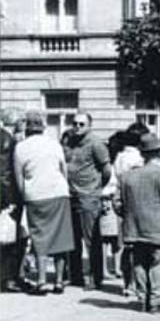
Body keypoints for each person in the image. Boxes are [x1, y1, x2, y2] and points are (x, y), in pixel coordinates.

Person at [13, 111, 74, 295]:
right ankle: (58, 281)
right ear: (43, 127)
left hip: (35, 195)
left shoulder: (21, 148)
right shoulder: (54, 144)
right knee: (60, 236)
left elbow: (19, 177)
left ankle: (40, 281)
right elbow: (64, 170)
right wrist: (64, 188)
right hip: (58, 192)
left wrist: (25, 196)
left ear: (27, 128)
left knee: (39, 237)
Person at [117, 133, 160, 313]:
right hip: (159, 228)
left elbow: (118, 204)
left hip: (135, 229)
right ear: (159, 152)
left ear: (142, 153)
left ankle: (143, 298)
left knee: (140, 263)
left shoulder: (128, 176)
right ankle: (157, 301)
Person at [63, 111, 112, 290]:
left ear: (89, 125)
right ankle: (75, 275)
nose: (77, 127)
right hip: (70, 195)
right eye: (75, 123)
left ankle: (95, 277)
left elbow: (106, 170)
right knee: (73, 238)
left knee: (91, 238)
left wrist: (96, 187)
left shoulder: (96, 144)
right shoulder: (68, 141)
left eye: (81, 124)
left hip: (89, 196)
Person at [0, 108, 30, 293]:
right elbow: (4, 173)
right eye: (23, 121)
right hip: (7, 197)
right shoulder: (6, 140)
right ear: (16, 122)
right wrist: (9, 199)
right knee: (11, 239)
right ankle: (9, 278)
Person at [112, 129, 144, 296]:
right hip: (138, 201)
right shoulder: (138, 158)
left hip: (124, 200)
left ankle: (127, 283)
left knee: (127, 245)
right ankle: (138, 284)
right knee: (139, 246)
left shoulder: (119, 157)